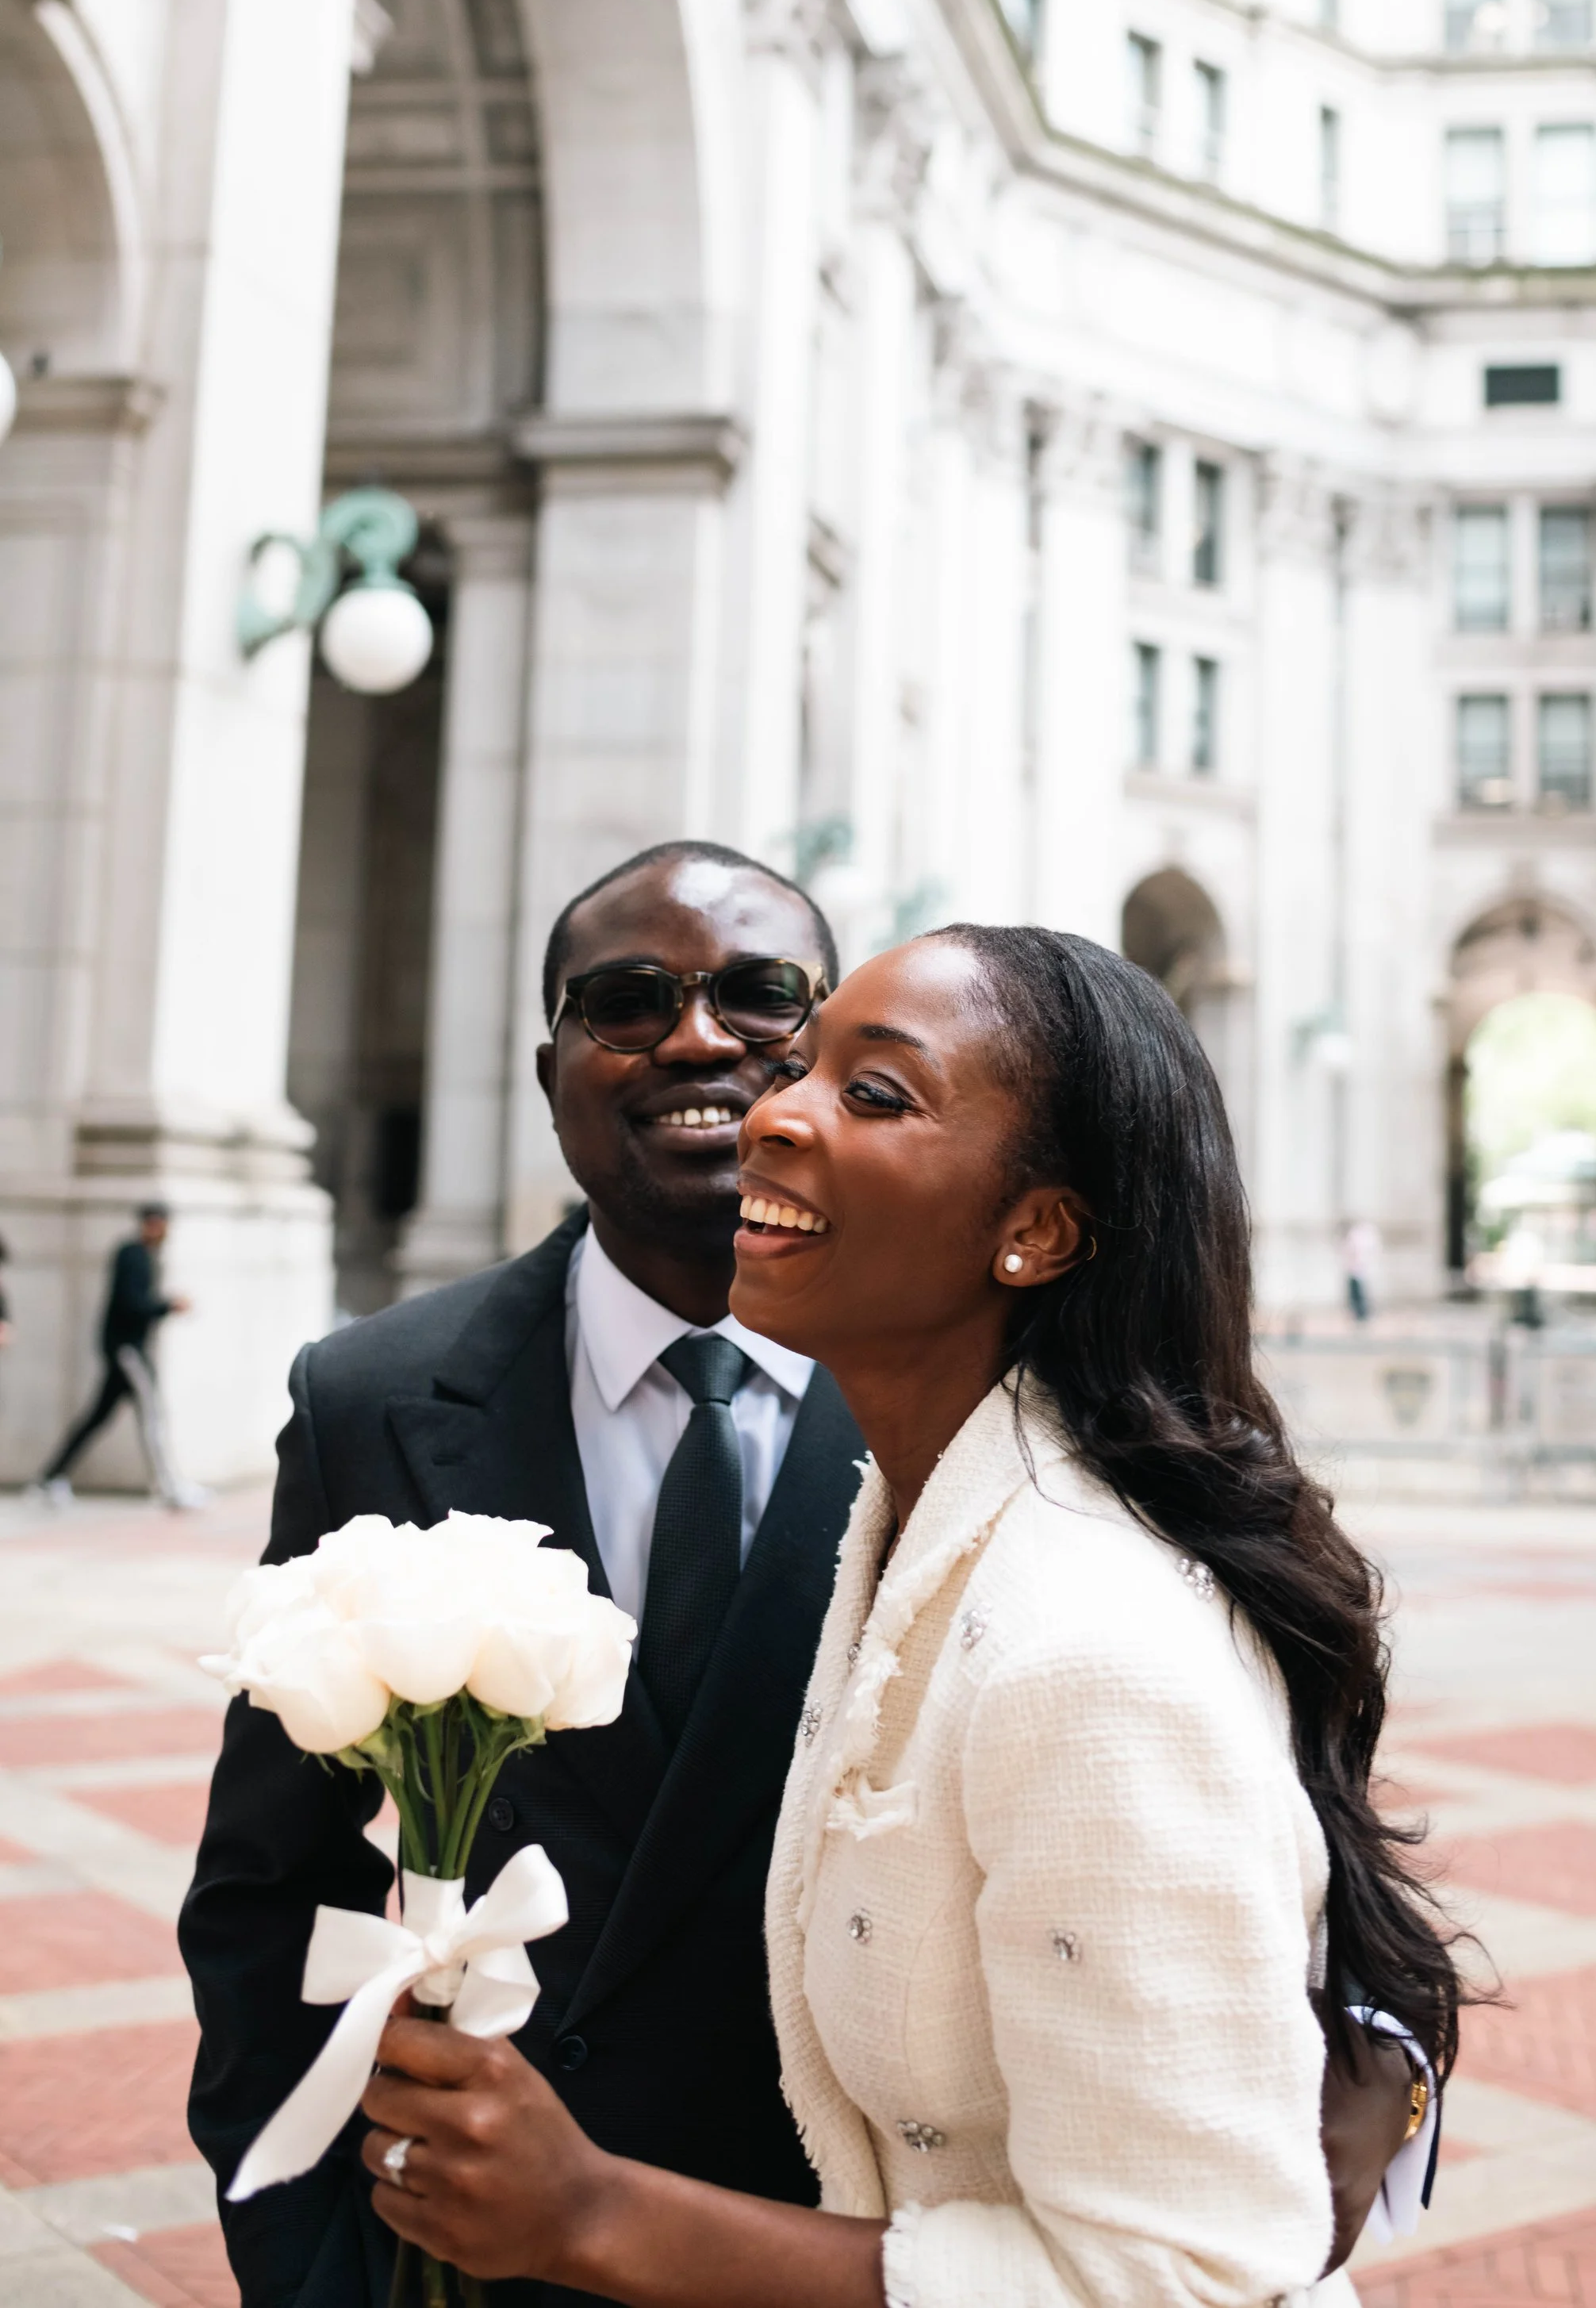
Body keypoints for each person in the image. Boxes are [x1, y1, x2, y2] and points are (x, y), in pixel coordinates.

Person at [350, 926, 1464, 2307]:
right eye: (804, 1068)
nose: (770, 1112)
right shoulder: (916, 1531)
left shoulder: (1083, 1647)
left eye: (874, 1093)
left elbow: (1189, 2285)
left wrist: (595, 2217)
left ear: (1039, 1229)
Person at [180, 841, 869, 2308]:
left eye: (758, 997)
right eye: (627, 1000)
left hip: (847, 2237)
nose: (695, 1038)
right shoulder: (376, 1397)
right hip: (490, 2266)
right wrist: (315, 2267)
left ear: (826, 1053)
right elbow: (266, 1881)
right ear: (549, 1060)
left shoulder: (957, 1384)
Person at [38, 1202, 200, 1507]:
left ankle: (51, 1478)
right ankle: (170, 1487)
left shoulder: (139, 1255)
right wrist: (167, 1306)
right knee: (152, 1414)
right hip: (128, 1350)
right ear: (152, 1224)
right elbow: (131, 1303)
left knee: (97, 1417)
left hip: (123, 1349)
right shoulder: (133, 1255)